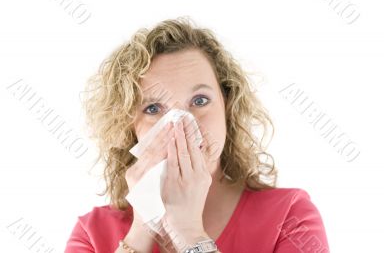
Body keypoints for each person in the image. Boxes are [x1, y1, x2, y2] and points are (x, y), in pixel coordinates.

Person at [65, 17, 330, 253]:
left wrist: (190, 233)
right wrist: (141, 231)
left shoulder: (290, 217)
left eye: (200, 101)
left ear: (228, 108)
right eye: (154, 108)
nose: (182, 125)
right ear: (130, 127)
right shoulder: (92, 235)